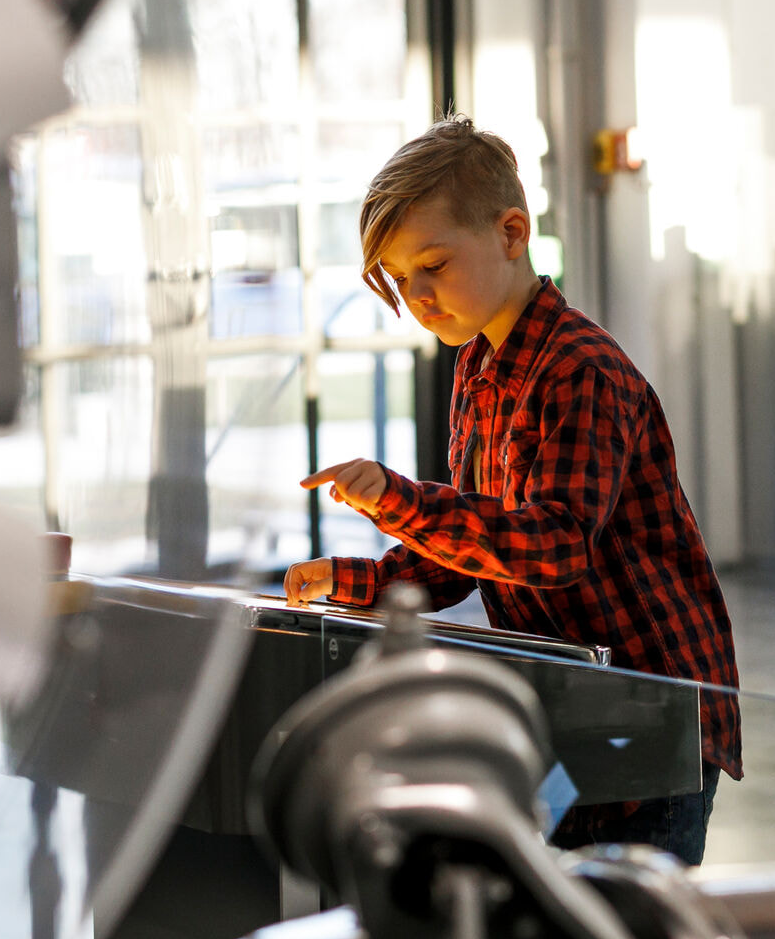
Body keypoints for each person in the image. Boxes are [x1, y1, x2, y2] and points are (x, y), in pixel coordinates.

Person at [283, 114, 740, 865]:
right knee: (544, 889)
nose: (417, 294)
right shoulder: (479, 367)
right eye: (399, 277)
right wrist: (352, 580)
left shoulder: (581, 370)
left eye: (433, 263)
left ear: (512, 233)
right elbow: (472, 550)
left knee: (623, 921)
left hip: (649, 715)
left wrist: (402, 500)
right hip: (573, 710)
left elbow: (551, 546)